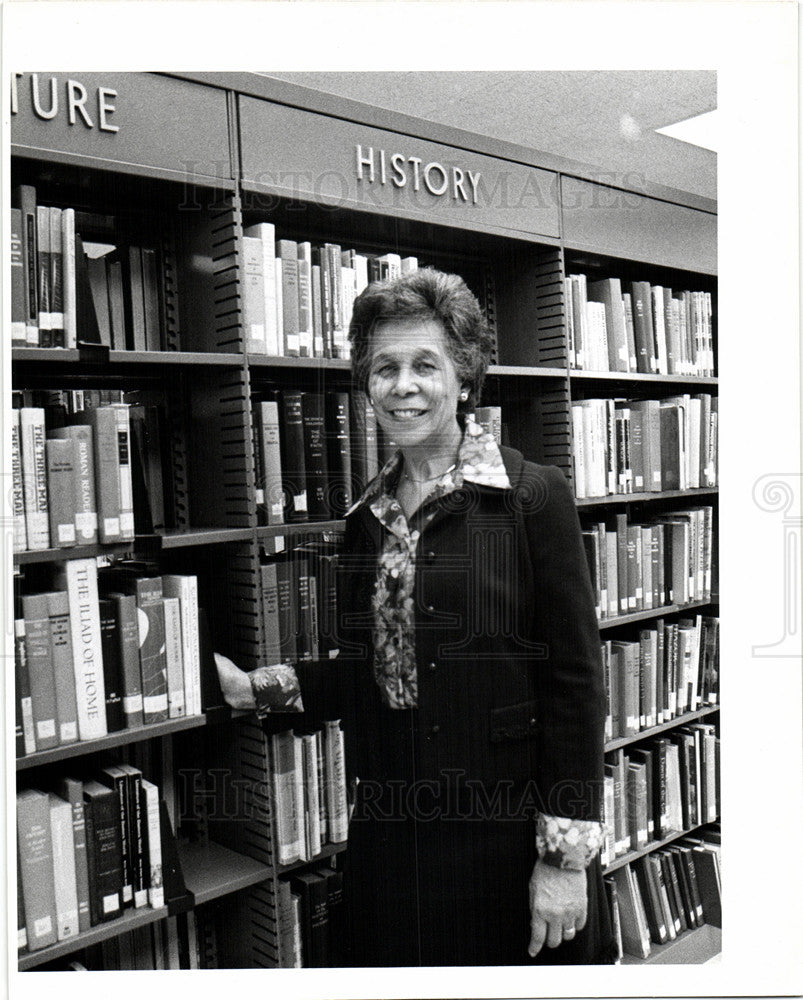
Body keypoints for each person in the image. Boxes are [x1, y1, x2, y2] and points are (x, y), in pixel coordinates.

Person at [215, 268, 616, 967]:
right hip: (395, 842)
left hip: (506, 842)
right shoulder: (364, 520)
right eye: (384, 368)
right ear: (366, 386)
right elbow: (372, 675)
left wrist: (561, 861)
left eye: (424, 365)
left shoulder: (531, 498)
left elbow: (576, 687)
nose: (403, 386)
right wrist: (261, 689)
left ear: (463, 379)